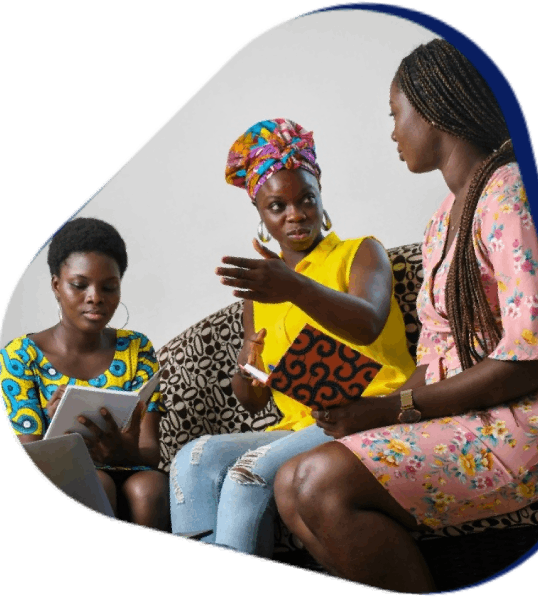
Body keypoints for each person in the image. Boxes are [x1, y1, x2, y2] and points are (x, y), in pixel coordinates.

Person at [273, 40, 538, 593]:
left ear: (433, 107)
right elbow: (437, 357)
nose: (393, 132)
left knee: (320, 480)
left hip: (536, 415)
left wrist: (397, 407)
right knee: (289, 481)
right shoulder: (442, 218)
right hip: (470, 413)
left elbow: (533, 359)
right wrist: (367, 410)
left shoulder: (510, 192)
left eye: (396, 115)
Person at [169, 118, 416, 559]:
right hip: (299, 426)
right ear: (262, 216)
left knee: (248, 473)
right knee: (193, 457)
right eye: (277, 206)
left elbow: (369, 323)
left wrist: (295, 288)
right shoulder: (260, 293)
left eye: (306, 199)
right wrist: (249, 364)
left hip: (369, 408)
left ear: (321, 200)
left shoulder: (359, 253)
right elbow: (252, 401)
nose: (295, 213)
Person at [0, 217, 170, 533]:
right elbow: (32, 455)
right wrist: (58, 431)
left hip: (127, 467)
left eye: (109, 287)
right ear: (56, 286)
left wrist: (120, 447)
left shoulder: (137, 348)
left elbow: (150, 454)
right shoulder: (19, 357)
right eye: (80, 285)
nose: (95, 297)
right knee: (96, 481)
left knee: (150, 487)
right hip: (62, 473)